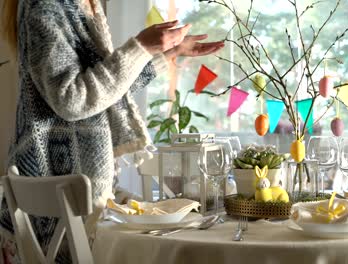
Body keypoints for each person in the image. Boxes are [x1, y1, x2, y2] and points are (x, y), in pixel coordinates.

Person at [0, 0, 224, 262]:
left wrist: (164, 56)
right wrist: (141, 47)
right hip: (65, 198)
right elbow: (73, 100)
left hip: (79, 193)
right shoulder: (45, 6)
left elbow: (104, 92)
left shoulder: (77, 5)